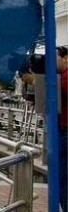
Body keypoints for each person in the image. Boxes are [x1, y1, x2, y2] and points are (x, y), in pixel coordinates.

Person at [57, 46, 67, 211]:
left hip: (65, 131)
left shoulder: (65, 77)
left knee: (63, 177)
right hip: (61, 128)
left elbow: (59, 92)